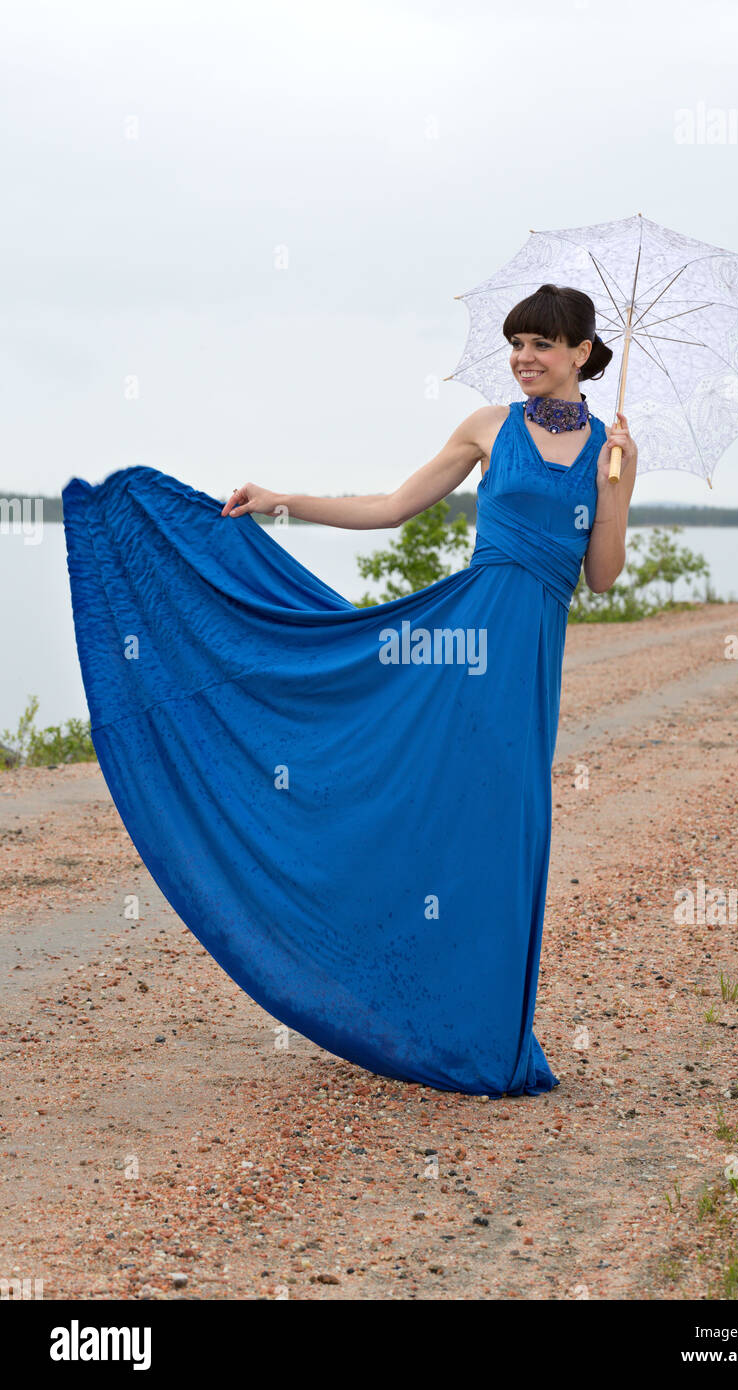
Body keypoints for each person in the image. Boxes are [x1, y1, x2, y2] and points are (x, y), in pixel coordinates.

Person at [62, 283, 637, 1098]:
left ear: (582, 353)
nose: (524, 359)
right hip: (458, 642)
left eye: (542, 345)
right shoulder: (487, 428)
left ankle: (485, 1039)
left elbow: (604, 578)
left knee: (505, 832)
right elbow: (394, 507)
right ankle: (407, 1008)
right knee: (423, 811)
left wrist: (615, 486)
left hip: (527, 662)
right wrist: (281, 501)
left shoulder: (612, 453)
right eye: (516, 343)